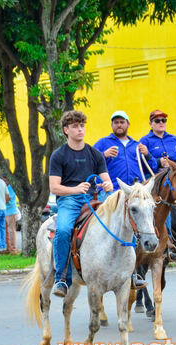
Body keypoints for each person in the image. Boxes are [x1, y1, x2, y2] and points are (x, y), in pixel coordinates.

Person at [48, 109, 113, 298]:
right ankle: (62, 279)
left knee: (124, 219)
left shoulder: (95, 154)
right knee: (63, 230)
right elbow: (54, 187)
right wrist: (75, 189)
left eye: (82, 126)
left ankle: (130, 273)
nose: (80, 130)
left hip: (94, 199)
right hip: (69, 201)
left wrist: (108, 185)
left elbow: (107, 181)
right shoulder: (58, 155)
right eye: (75, 126)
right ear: (66, 130)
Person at [93, 110, 157, 189]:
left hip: (135, 191)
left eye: (122, 122)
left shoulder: (137, 145)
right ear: (111, 125)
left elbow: (153, 168)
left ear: (128, 124)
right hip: (111, 191)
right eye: (116, 122)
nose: (119, 125)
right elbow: (89, 163)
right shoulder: (103, 143)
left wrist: (147, 155)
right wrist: (103, 155)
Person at [2, 176, 18, 254]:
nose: (4, 182)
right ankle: (8, 248)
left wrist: (0, 202)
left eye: (5, 180)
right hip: (5, 211)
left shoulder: (11, 188)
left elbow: (8, 199)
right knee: (6, 231)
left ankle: (13, 249)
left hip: (11, 211)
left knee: (11, 231)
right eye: (3, 180)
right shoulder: (4, 188)